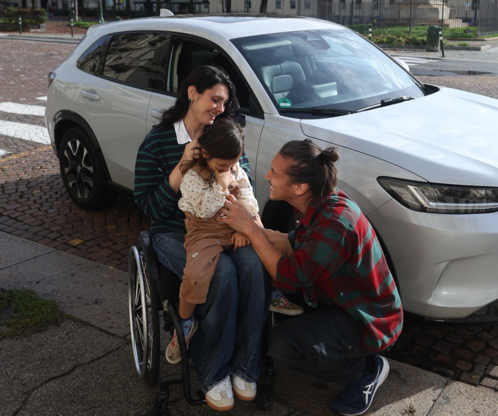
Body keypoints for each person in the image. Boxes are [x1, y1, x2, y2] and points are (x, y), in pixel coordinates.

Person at [219, 139, 404, 416]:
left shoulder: (336, 222)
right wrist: (250, 228)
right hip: (334, 298)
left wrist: (253, 231)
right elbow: (289, 241)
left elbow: (291, 277)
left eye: (275, 173)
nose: (267, 176)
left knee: (284, 346)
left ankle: (366, 370)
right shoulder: (320, 204)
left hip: (365, 320)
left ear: (299, 187)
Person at [134, 65, 269, 412]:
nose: (220, 109)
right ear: (192, 92)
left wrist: (247, 225)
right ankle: (213, 372)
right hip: (175, 232)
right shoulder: (158, 141)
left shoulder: (223, 134)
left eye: (224, 103)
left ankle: (246, 365)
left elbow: (243, 182)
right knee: (220, 272)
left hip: (227, 227)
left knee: (253, 266)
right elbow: (151, 206)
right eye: (215, 99)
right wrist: (181, 166)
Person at [167, 118, 293, 365]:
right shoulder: (192, 176)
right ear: (205, 154)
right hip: (204, 231)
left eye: (234, 164)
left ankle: (274, 289)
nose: (230, 169)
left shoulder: (235, 169)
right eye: (223, 165)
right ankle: (185, 322)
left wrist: (246, 229)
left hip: (235, 222)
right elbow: (204, 210)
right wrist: (221, 187)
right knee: (195, 272)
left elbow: (248, 198)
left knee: (272, 242)